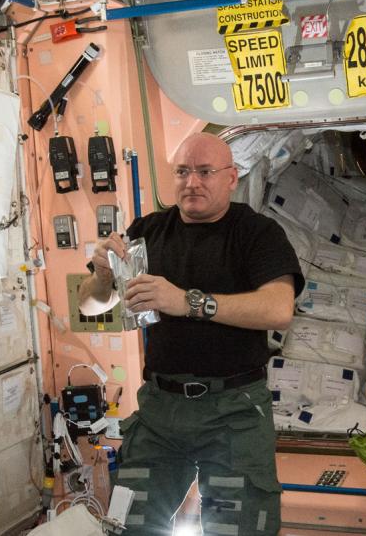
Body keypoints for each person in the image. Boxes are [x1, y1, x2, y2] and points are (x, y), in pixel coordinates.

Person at [79, 132, 304, 535]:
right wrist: (102, 274)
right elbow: (90, 305)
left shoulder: (256, 233)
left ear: (231, 178)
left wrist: (186, 301)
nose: (192, 182)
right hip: (160, 412)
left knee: (240, 529)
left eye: (205, 172)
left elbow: (278, 309)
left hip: (234, 412)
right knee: (128, 524)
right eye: (183, 171)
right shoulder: (146, 231)